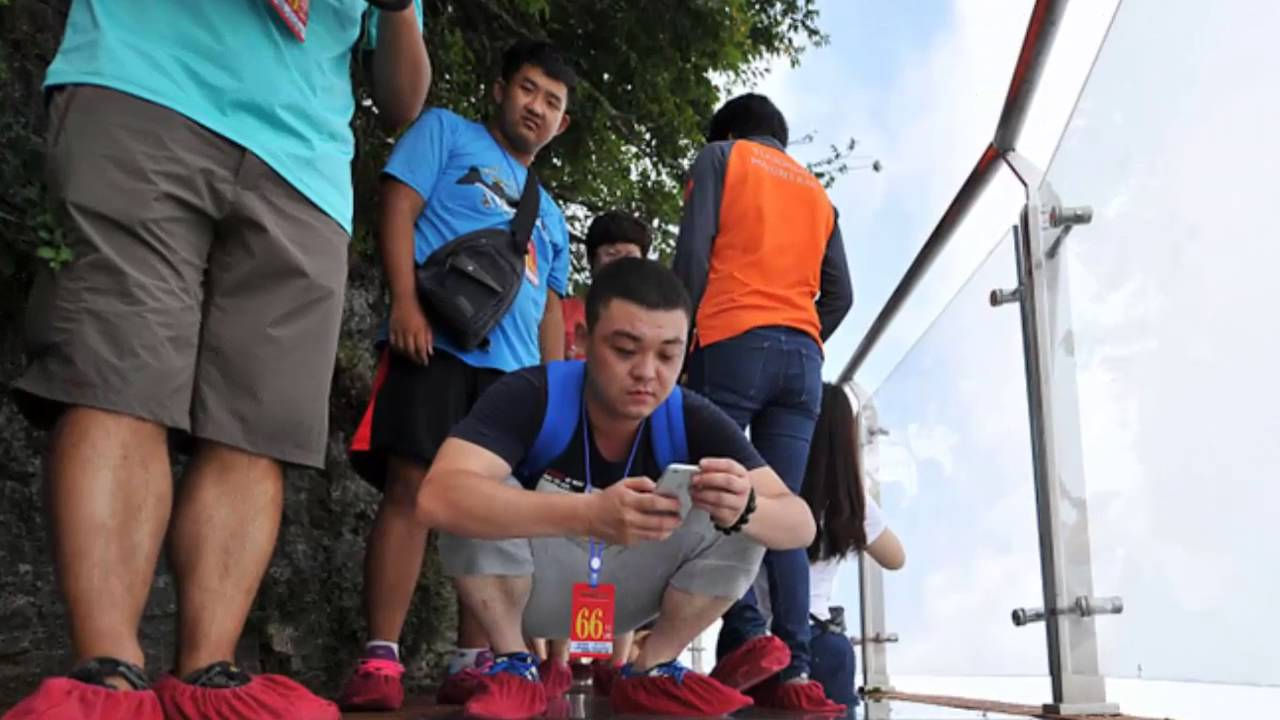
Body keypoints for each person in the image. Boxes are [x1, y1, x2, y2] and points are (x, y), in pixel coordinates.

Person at [4, 3, 429, 720]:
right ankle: (105, 677)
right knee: (119, 379)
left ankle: (210, 672)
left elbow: (403, 98)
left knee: (253, 424)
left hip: (306, 165)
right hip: (144, 89)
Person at [415, 258, 818, 718]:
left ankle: (653, 668)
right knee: (474, 488)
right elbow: (436, 496)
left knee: (742, 506)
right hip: (528, 595)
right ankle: (513, 663)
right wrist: (588, 514)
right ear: (584, 340)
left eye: (668, 355)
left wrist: (745, 507)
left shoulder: (690, 415)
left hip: (629, 606)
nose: (647, 372)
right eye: (625, 350)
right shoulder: (532, 394)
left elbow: (800, 522)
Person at [340, 40, 575, 713]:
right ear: (501, 88)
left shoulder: (551, 213)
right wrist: (406, 301)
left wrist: (554, 395)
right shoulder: (444, 130)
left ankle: (472, 660)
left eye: (552, 103)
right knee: (411, 491)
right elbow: (398, 207)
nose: (537, 107)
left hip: (512, 382)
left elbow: (552, 309)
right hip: (436, 347)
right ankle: (381, 655)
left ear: (562, 125)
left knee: (492, 517)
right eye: (529, 89)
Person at [673, 92, 854, 711]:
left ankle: (749, 632)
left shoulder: (720, 158)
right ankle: (799, 670)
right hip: (803, 362)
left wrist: (678, 343)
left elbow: (693, 257)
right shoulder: (817, 195)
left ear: (728, 131)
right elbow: (842, 294)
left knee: (715, 481)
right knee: (784, 509)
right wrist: (800, 333)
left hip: (729, 343)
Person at [542, 210, 652, 685]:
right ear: (592, 263)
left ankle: (616, 663)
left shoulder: (657, 319)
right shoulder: (568, 313)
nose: (619, 263)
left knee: (624, 552)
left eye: (629, 255)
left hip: (629, 445)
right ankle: (559, 658)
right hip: (569, 444)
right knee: (562, 546)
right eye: (609, 256)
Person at [750, 382, 905, 712]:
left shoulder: (762, 491)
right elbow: (895, 558)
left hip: (757, 646)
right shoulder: (849, 501)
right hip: (822, 643)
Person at [561, 211, 652, 360]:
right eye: (612, 254)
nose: (621, 264)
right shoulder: (559, 313)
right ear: (591, 260)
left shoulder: (656, 322)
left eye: (630, 256)